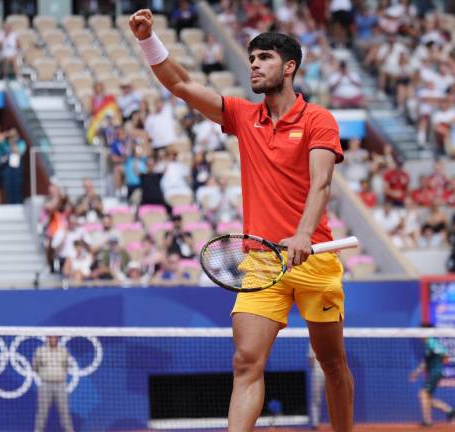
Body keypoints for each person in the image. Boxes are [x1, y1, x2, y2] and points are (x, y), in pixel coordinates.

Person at [129, 10, 352, 431]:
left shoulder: (317, 119)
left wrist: (303, 233)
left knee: (332, 362)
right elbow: (180, 84)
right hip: (262, 262)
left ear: (289, 68)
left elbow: (321, 183)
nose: (253, 64)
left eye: (264, 58)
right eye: (251, 58)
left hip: (315, 259)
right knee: (246, 362)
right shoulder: (243, 117)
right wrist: (147, 39)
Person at [408, 323, 455, 427]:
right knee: (426, 398)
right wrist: (416, 373)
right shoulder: (427, 343)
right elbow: (426, 362)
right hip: (433, 372)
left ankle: (428, 421)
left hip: (435, 372)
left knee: (423, 394)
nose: (418, 335)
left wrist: (440, 363)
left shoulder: (431, 341)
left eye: (420, 332)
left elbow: (444, 354)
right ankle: (450, 410)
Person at [32, 336, 74, 432]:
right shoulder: (40, 351)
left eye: (54, 338)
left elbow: (66, 366)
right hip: (45, 385)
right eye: (50, 338)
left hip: (60, 385)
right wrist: (45, 375)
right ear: (47, 338)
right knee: (42, 412)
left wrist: (59, 375)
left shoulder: (63, 351)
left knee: (64, 412)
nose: (53, 340)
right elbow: (35, 366)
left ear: (57, 339)